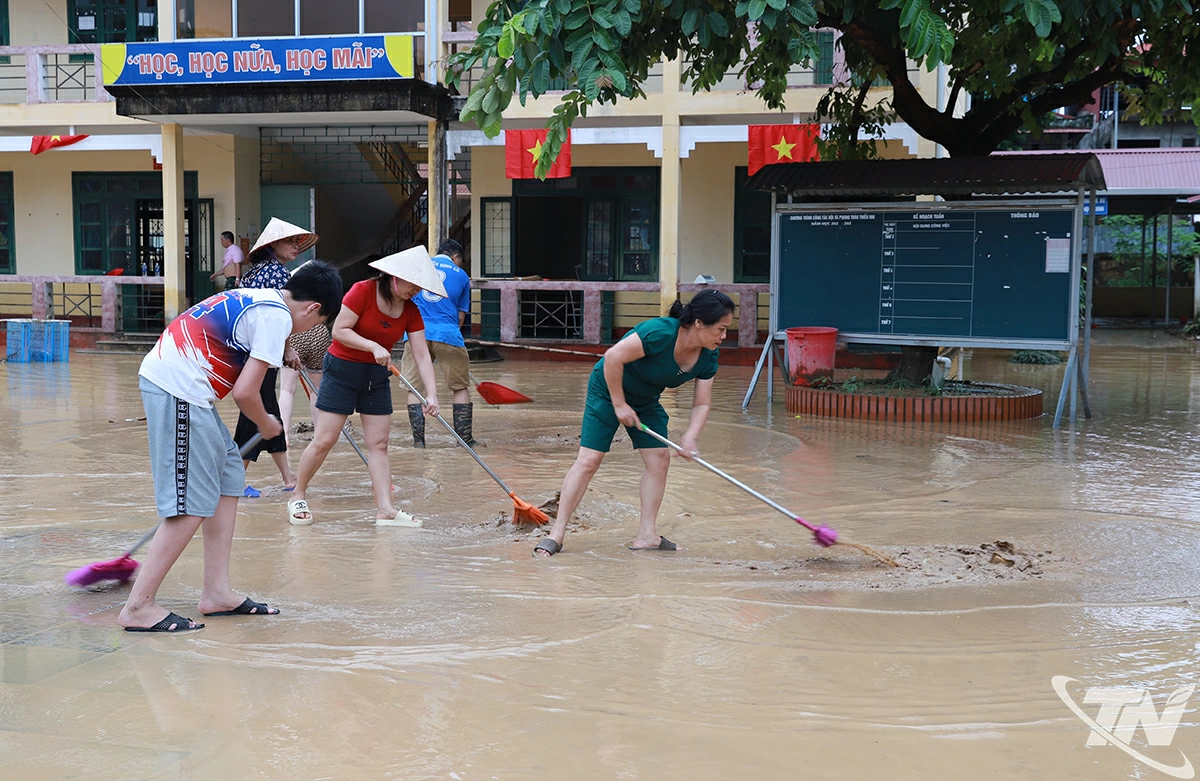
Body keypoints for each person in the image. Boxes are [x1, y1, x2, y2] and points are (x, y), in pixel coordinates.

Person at [118, 261, 343, 632]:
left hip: (180, 386)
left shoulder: (267, 300)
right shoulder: (277, 319)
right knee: (193, 501)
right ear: (312, 309)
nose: (309, 332)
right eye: (316, 324)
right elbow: (244, 393)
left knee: (228, 475)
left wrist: (286, 349)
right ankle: (139, 607)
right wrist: (268, 422)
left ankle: (217, 593)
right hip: (178, 390)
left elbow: (269, 328)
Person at [533, 289, 736, 557]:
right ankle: (556, 534)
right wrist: (618, 404)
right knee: (589, 460)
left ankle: (647, 536)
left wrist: (690, 436)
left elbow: (702, 403)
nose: (724, 337)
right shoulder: (660, 332)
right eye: (721, 329)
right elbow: (613, 357)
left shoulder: (709, 356)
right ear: (699, 323)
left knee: (660, 460)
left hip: (645, 399)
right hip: (607, 390)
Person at [288, 245, 446, 527]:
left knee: (379, 444)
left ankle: (385, 509)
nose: (417, 292)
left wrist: (432, 393)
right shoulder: (362, 291)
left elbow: (421, 354)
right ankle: (297, 495)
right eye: (414, 284)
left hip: (376, 376)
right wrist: (372, 345)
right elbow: (339, 331)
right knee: (325, 439)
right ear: (394, 276)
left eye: (422, 287)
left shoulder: (411, 310)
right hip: (341, 371)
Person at [233, 218, 317, 492]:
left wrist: (284, 349)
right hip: (260, 353)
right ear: (272, 245)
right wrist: (288, 348)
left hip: (250, 350)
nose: (295, 246)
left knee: (270, 413)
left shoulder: (255, 273)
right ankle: (235, 481)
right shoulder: (278, 276)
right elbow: (278, 317)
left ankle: (288, 478)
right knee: (255, 417)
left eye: (296, 242)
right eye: (289, 241)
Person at [399, 238, 476, 448]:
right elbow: (460, 318)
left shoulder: (419, 268)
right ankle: (465, 441)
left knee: (414, 388)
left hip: (416, 333)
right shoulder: (461, 275)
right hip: (448, 334)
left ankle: (419, 443)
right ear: (455, 257)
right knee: (459, 387)